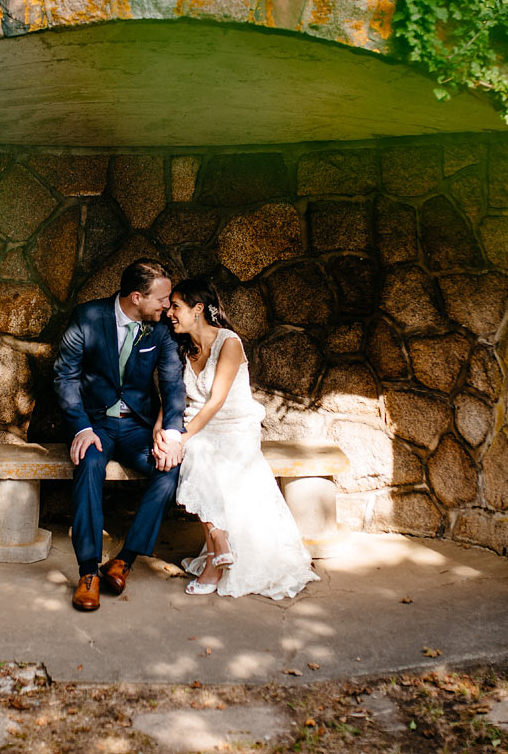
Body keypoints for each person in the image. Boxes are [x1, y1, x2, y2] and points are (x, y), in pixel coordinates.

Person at [158, 278, 319, 599]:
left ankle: (216, 560)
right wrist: (162, 430)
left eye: (176, 306)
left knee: (195, 452)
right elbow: (171, 395)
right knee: (195, 451)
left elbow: (216, 399)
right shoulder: (181, 347)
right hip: (199, 427)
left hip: (233, 428)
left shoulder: (228, 343)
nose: (169, 314)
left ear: (198, 309)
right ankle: (220, 545)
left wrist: (183, 437)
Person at [53, 258, 187, 611]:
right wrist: (81, 427)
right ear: (135, 297)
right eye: (162, 299)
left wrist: (172, 432)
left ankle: (123, 560)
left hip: (137, 426)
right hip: (94, 423)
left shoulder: (160, 328)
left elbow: (173, 383)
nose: (167, 306)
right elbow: (65, 377)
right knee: (89, 462)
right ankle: (87, 573)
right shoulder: (87, 317)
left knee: (169, 467)